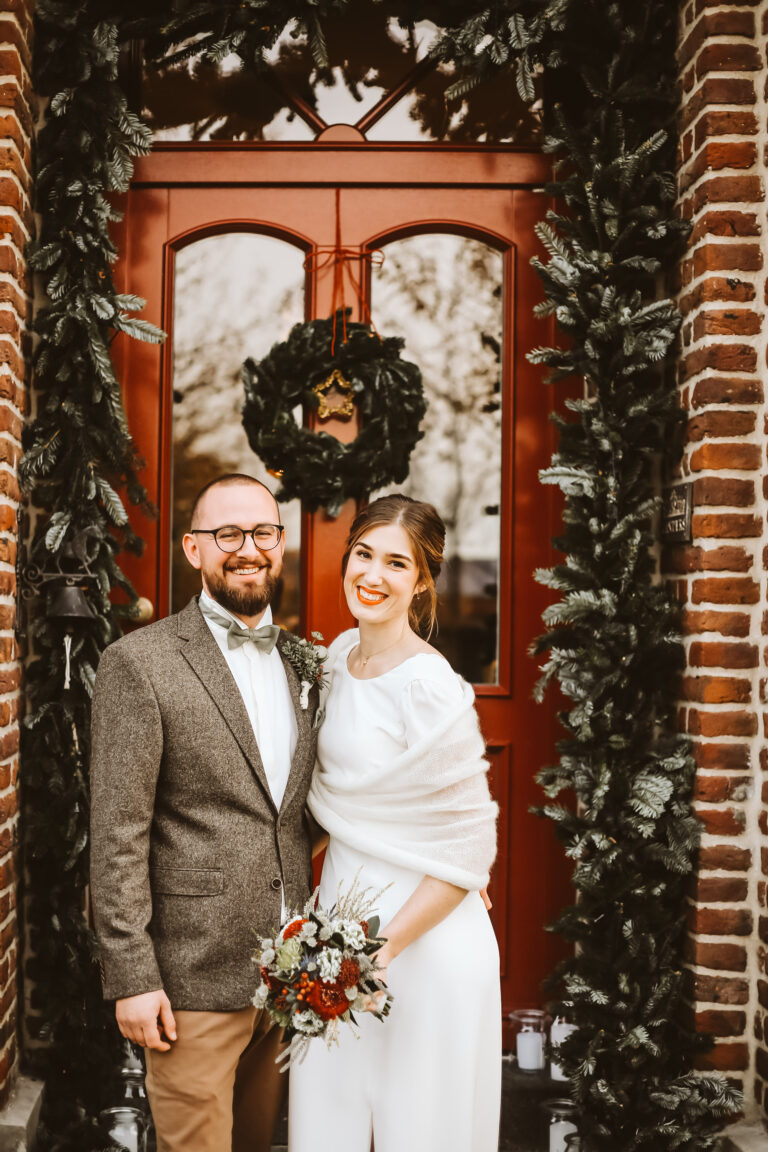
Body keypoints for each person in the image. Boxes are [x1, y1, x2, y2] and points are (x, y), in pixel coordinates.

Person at [90, 473, 320, 1152]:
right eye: (228, 534)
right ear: (194, 549)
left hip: (288, 981)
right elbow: (116, 834)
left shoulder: (306, 664)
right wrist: (132, 978)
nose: (248, 548)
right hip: (190, 981)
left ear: (281, 545)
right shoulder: (140, 663)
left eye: (264, 533)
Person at [288, 494, 501, 1152]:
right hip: (338, 937)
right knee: (325, 1125)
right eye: (363, 554)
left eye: (396, 563)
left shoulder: (430, 687)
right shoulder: (337, 659)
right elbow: (334, 805)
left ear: (421, 579)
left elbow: (467, 853)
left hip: (423, 946)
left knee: (421, 1132)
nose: (372, 575)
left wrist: (382, 953)